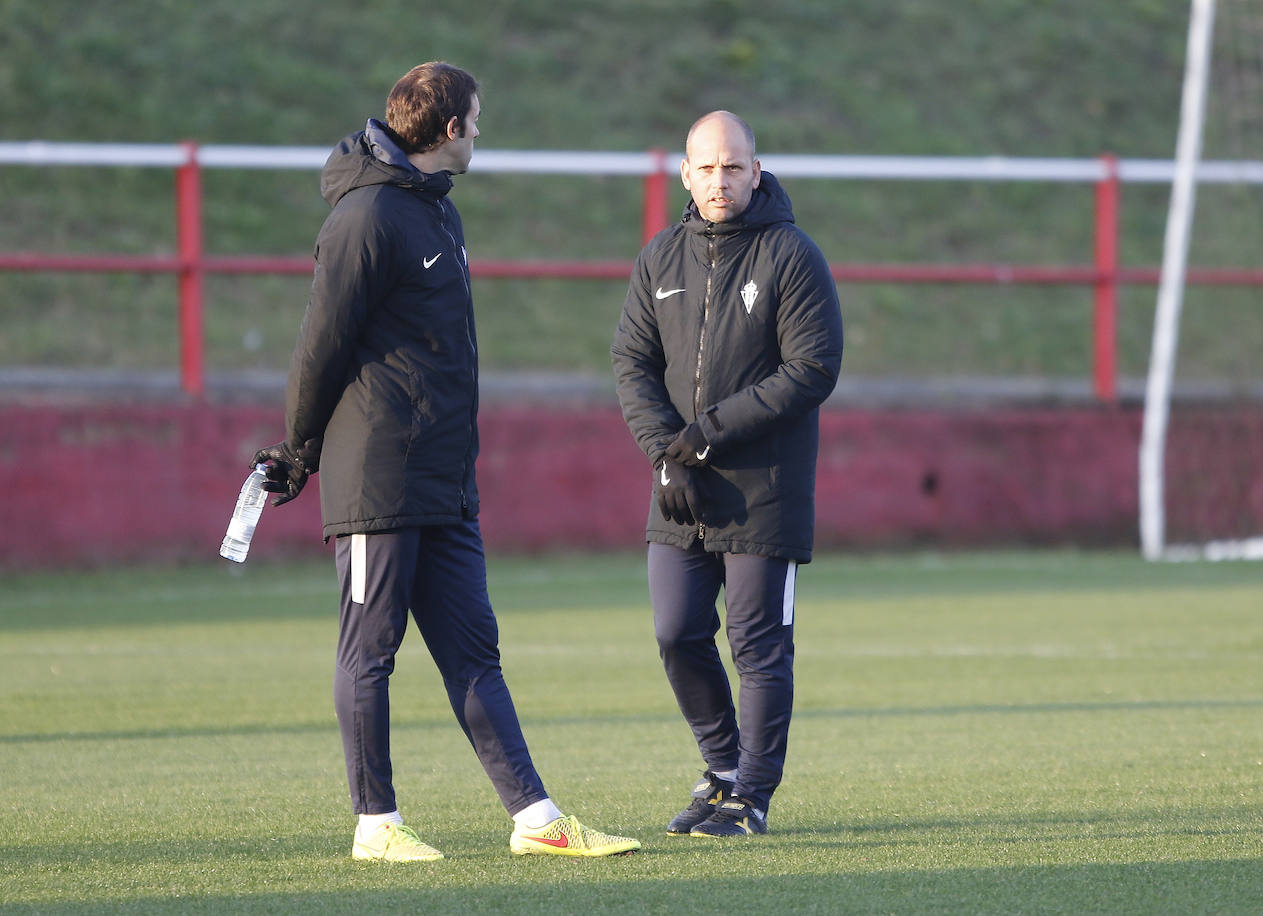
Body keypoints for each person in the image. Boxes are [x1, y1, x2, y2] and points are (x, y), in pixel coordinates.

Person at [251, 61, 639, 863]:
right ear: (452, 128)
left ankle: (537, 820)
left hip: (442, 480)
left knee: (474, 651)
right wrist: (299, 448)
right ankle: (376, 825)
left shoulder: (435, 214)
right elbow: (319, 346)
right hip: (377, 482)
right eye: (478, 119)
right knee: (371, 651)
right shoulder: (364, 219)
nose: (480, 134)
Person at [610, 111, 844, 837]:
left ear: (757, 170)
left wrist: (699, 440)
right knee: (677, 632)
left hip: (761, 492)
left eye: (733, 167)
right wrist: (664, 454)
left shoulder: (792, 256)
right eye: (706, 168)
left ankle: (753, 797)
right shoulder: (659, 258)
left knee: (756, 644)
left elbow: (811, 370)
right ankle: (721, 771)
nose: (720, 180)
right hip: (679, 486)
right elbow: (632, 363)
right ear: (685, 174)